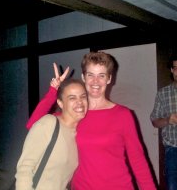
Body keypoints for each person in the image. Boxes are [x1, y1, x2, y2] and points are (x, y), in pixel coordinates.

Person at [26, 51, 157, 189]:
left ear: (109, 79)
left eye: (101, 75)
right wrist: (54, 91)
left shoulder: (123, 115)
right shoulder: (74, 113)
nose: (96, 81)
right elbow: (33, 125)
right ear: (83, 77)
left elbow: (138, 161)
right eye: (90, 75)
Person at [15, 78, 88, 190]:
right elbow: (24, 169)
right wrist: (53, 90)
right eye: (72, 98)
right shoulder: (49, 123)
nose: (79, 102)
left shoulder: (79, 135)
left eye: (83, 96)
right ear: (60, 103)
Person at [150, 55, 177, 190]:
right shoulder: (163, 93)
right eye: (176, 68)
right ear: (172, 70)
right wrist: (168, 120)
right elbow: (154, 121)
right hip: (173, 151)